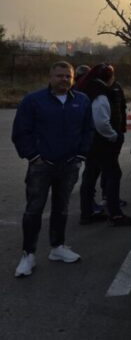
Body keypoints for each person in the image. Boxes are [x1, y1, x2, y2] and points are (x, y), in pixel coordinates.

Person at [12, 62, 94, 277]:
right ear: (50, 77)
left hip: (69, 166)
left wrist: (81, 155)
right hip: (41, 166)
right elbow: (21, 132)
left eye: (68, 76)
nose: (64, 80)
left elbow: (88, 130)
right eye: (59, 76)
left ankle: (58, 247)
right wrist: (34, 157)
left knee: (62, 208)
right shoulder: (33, 101)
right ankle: (28, 254)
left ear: (74, 78)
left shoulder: (83, 101)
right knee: (34, 210)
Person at [77, 64, 131, 226]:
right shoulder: (101, 94)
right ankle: (115, 213)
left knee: (90, 175)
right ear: (109, 77)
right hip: (102, 143)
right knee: (113, 175)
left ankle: (87, 212)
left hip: (91, 142)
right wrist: (113, 135)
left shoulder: (88, 88)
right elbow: (101, 122)